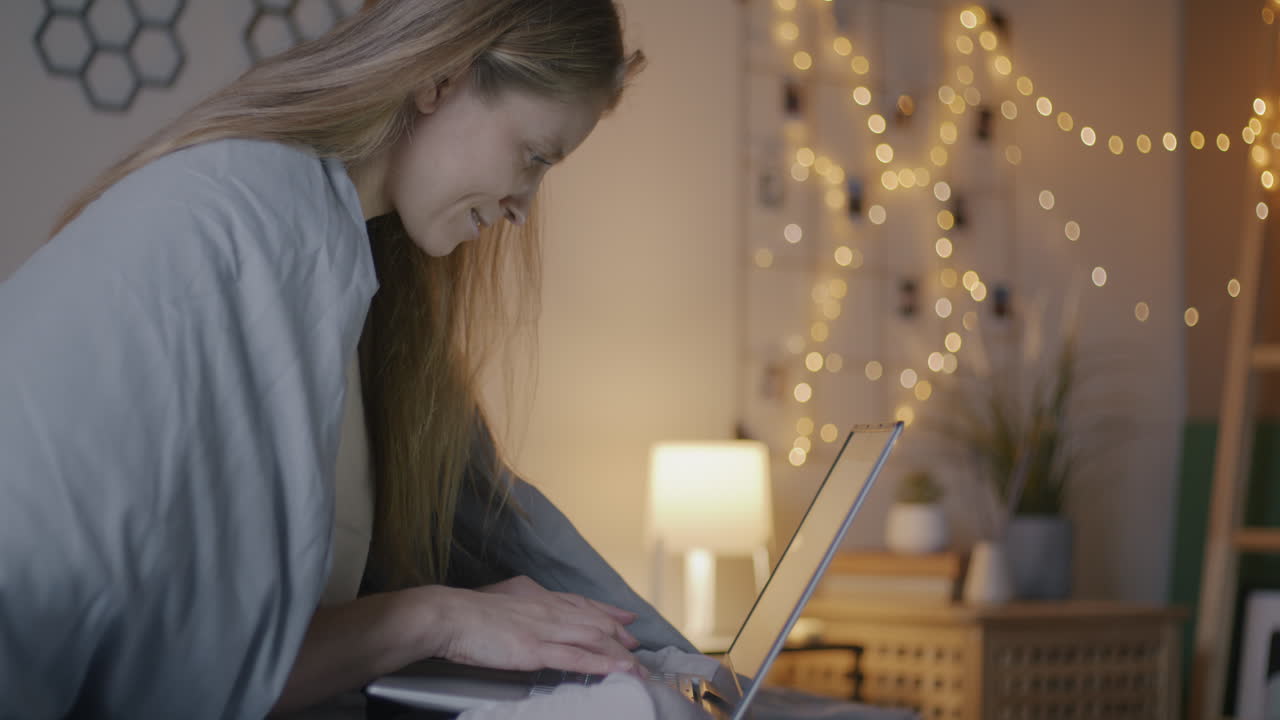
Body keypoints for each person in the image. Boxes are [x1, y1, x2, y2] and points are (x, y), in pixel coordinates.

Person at [0, 1, 700, 717]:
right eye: (534, 157)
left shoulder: (344, 254)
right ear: (438, 79)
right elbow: (189, 685)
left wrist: (690, 670)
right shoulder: (249, 226)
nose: (524, 205)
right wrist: (439, 618)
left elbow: (496, 519)